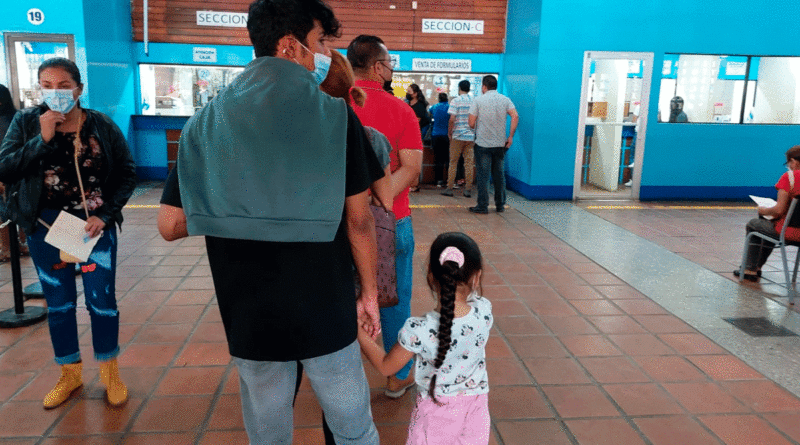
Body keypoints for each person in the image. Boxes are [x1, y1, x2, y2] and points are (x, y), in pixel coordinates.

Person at [159, 1, 383, 443]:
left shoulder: (203, 123)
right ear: (289, 46)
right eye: (319, 42)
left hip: (248, 310)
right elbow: (359, 221)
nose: (323, 54)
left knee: (268, 428)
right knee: (351, 422)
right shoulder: (336, 118)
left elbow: (169, 224)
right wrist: (369, 294)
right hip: (325, 308)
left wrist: (236, 204)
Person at [0, 58, 137, 409]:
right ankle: (69, 372)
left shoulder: (101, 125)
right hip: (46, 229)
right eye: (47, 85)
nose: (55, 92)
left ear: (79, 88)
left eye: (63, 85)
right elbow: (6, 167)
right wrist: (42, 140)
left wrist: (106, 215)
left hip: (94, 229)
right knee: (59, 305)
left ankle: (110, 371)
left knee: (102, 303)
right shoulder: (27, 122)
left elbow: (126, 172)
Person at [357, 232, 493, 444]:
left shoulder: (419, 331)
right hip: (475, 411)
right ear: (476, 278)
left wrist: (357, 330)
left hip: (434, 416)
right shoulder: (484, 311)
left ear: (430, 277)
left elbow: (386, 367)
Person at [348, 34, 424, 398]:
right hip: (392, 222)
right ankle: (397, 376)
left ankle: (339, 375)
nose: (392, 69)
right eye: (390, 62)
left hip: (334, 225)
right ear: (378, 67)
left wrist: (352, 203)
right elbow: (410, 167)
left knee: (339, 296)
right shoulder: (401, 110)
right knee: (395, 299)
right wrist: (376, 200)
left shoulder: (331, 104)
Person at [737, 145, 800, 281]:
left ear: (794, 162)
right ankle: (755, 267)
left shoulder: (790, 178)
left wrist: (763, 210)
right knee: (767, 224)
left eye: (788, 163)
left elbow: (778, 211)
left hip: (791, 233)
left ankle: (750, 269)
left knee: (755, 224)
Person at [468, 75, 519, 214]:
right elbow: (515, 116)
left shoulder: (478, 100)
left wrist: (477, 125)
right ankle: (500, 205)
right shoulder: (505, 99)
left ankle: (482, 206)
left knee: (483, 176)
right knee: (499, 175)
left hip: (483, 144)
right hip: (499, 144)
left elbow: (471, 123)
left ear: (484, 86)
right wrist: (510, 136)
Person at [0, 84, 29, 261]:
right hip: (19, 171)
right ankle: (23, 244)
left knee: (2, 212)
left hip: (4, 173)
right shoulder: (17, 117)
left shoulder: (3, 122)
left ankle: (7, 248)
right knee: (20, 208)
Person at [441, 80, 476, 198]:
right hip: (470, 137)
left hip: (457, 136)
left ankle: (449, 188)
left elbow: (452, 119)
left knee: (453, 162)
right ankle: (468, 189)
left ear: (459, 88)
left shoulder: (456, 101)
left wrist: (449, 132)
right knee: (469, 163)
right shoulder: (474, 101)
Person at [429, 92, 450, 187]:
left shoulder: (434, 107)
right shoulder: (450, 107)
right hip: (447, 136)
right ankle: (449, 180)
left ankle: (438, 181)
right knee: (448, 159)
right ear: (447, 99)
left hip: (436, 135)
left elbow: (429, 113)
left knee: (438, 159)